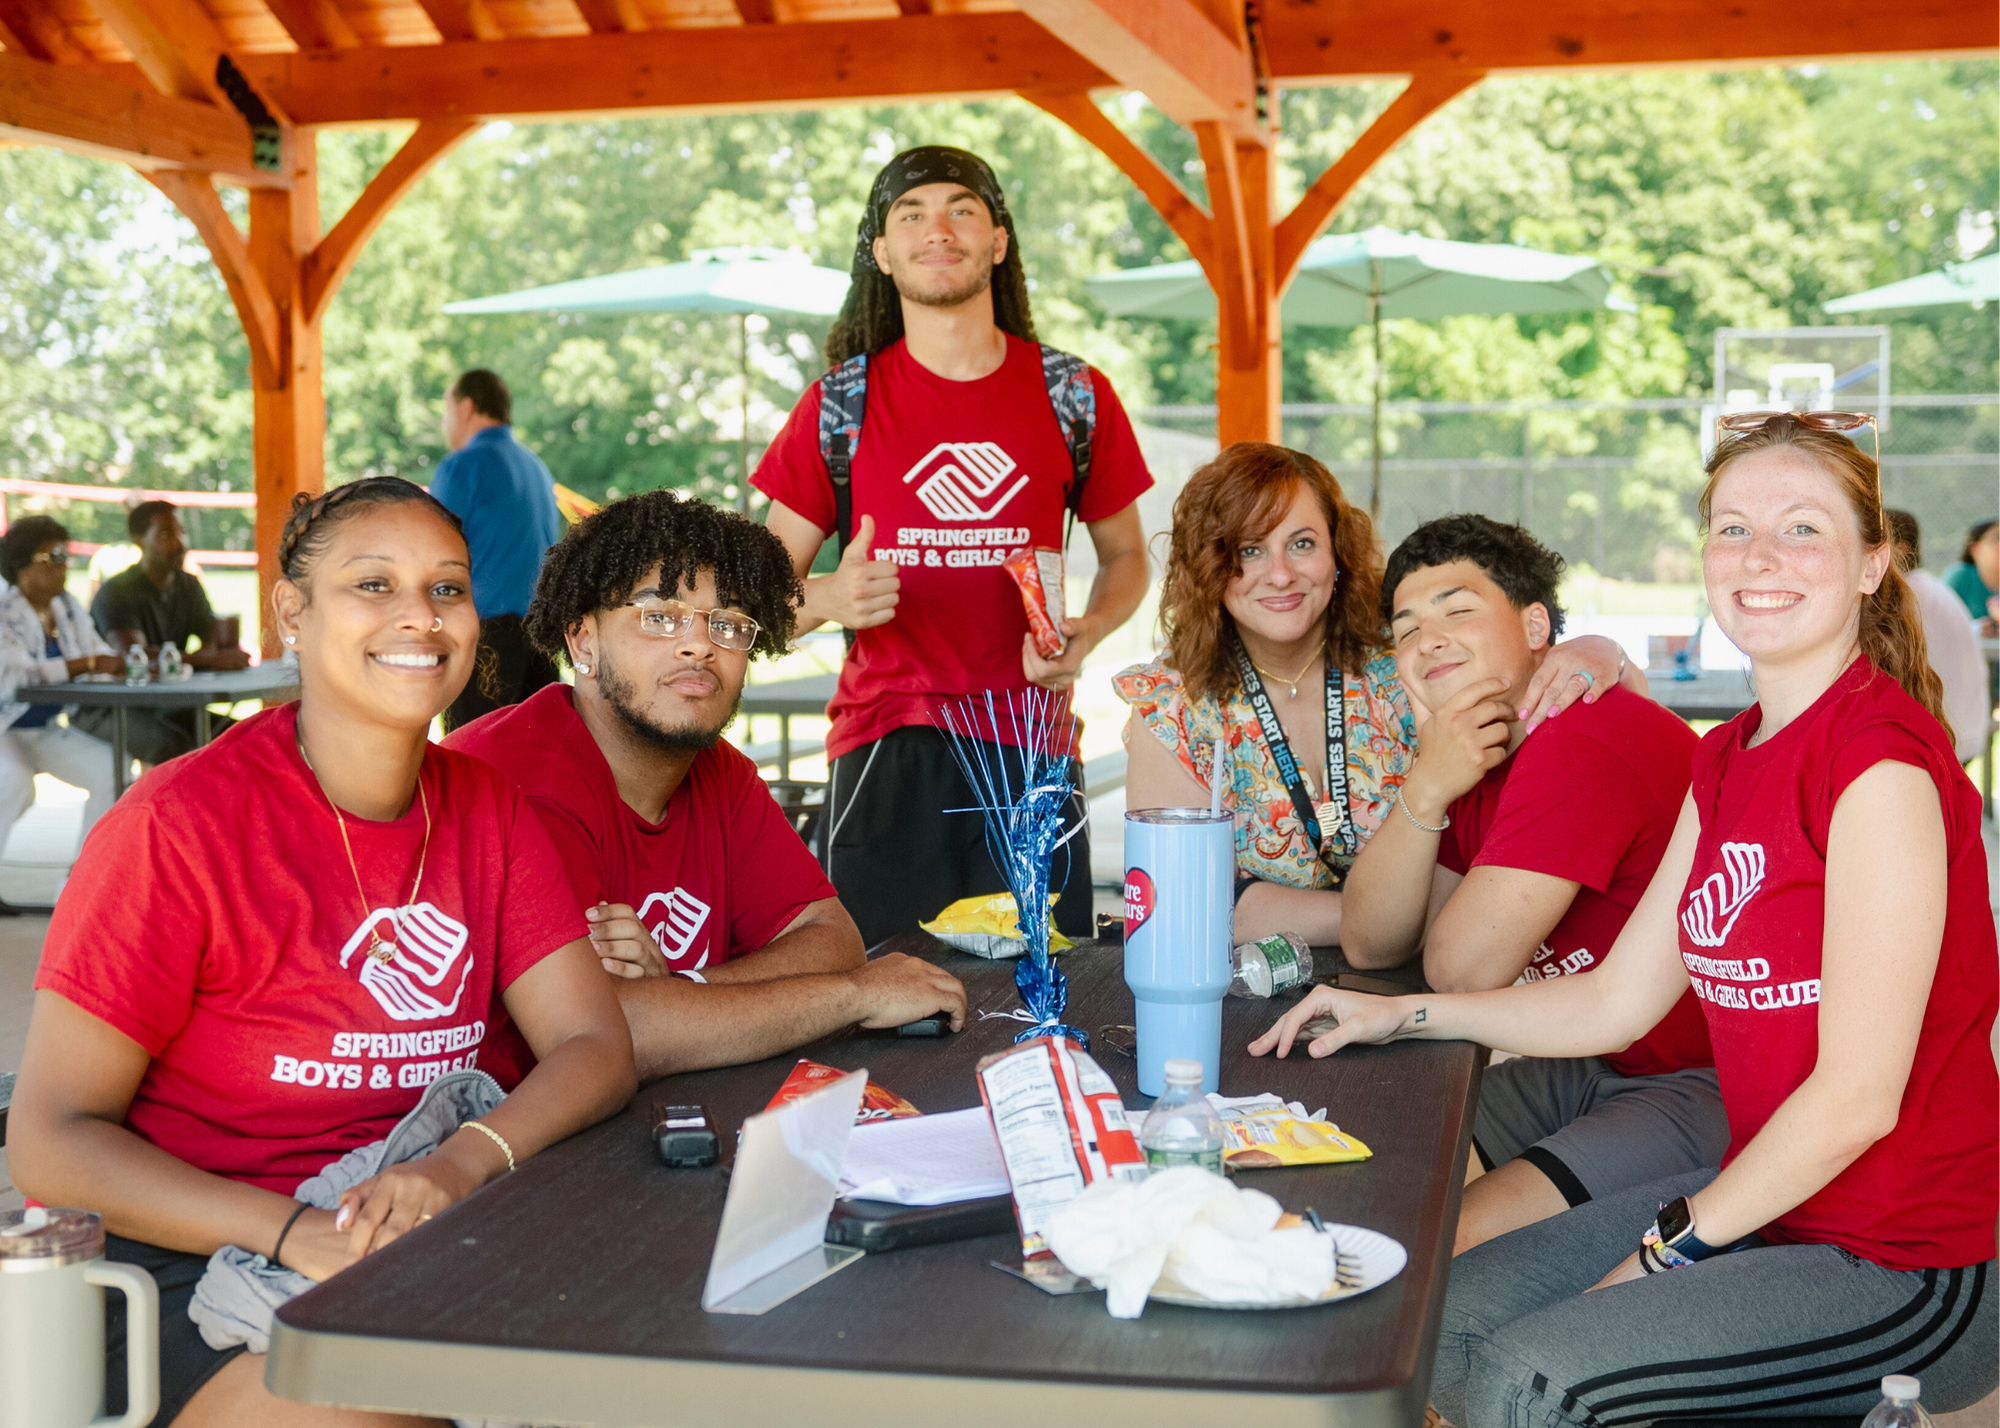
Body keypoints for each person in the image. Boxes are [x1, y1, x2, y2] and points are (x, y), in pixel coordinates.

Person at [1253, 414, 1998, 1426]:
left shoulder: (1877, 767)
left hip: (1906, 1259)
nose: (1758, 557)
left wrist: (1665, 1250)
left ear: (1871, 563)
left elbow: (1855, 1101)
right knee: (1442, 1321)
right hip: (1773, 1204)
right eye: (1730, 529)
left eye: (1800, 530)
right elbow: (1612, 1001)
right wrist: (1406, 1016)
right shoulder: (1726, 758)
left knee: (1538, 1381)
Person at [8, 477, 636, 1428]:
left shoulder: (489, 808)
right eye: (373, 586)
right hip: (197, 1265)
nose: (420, 617)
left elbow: (594, 1046)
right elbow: (49, 1142)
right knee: (407, 1389)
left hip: (429, 1224)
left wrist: (456, 1167)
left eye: (448, 588)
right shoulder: (175, 827)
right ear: (291, 614)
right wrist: (298, 1232)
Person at [755, 145, 1153, 948]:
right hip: (886, 748)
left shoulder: (1074, 394)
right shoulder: (841, 404)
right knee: (878, 1007)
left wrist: (1089, 630)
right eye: (911, 215)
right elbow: (754, 604)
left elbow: (1128, 558)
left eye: (961, 209)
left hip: (1032, 748)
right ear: (882, 254)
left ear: (998, 241)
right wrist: (832, 598)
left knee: (1043, 1004)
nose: (938, 229)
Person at [446, 491, 967, 1081]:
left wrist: (677, 988)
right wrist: (856, 995)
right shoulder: (518, 779)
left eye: (727, 623)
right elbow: (613, 1034)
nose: (700, 644)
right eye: (659, 617)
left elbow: (830, 939)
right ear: (583, 641)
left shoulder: (719, 771)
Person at [1340, 513, 1718, 1253]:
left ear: (1536, 624)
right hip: (1593, 1056)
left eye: (1458, 610)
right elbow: (1381, 941)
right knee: (1373, 1184)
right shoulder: (1476, 752)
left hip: (1713, 1083)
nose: (1428, 640)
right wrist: (1428, 785)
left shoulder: (1579, 735)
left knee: (1438, 1244)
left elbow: (1459, 969)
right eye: (1407, 628)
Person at [1116, 443, 1642, 945]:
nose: (1279, 575)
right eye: (1249, 550)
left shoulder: (1411, 660)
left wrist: (1603, 651)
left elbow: (1553, 709)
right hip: (1252, 989)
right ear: (1209, 566)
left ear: (1337, 553)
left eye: (1302, 544)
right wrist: (1382, 921)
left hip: (1435, 980)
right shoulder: (1171, 705)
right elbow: (1183, 901)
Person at [432, 368, 564, 731]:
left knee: (472, 759)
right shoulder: (537, 467)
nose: (444, 423)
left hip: (486, 641)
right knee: (540, 756)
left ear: (466, 407)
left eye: (446, 409)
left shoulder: (462, 466)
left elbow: (429, 552)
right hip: (542, 638)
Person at [84, 499, 249, 764]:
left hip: (170, 701)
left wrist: (215, 654)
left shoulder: (188, 586)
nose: (179, 542)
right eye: (165, 534)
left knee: (241, 737)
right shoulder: (116, 592)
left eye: (182, 532)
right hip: (116, 705)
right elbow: (134, 657)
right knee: (173, 745)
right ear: (139, 541)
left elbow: (212, 641)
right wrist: (208, 660)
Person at [0, 516, 122, 851]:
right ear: (22, 567)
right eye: (54, 557)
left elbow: (101, 655)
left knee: (116, 773)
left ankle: (77, 885)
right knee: (16, 782)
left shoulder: (66, 607)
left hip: (44, 729)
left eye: (66, 556)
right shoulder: (3, 612)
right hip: (5, 730)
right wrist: (89, 664)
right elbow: (18, 677)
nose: (65, 565)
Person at [1886, 508, 1988, 764]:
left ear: (1902, 549)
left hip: (1947, 736)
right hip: (1962, 729)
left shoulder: (1905, 594)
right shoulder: (1927, 587)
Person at [1942, 517, 1998, 629]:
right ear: (1975, 549)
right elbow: (1939, 623)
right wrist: (1976, 627)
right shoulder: (1960, 576)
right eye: (1996, 539)